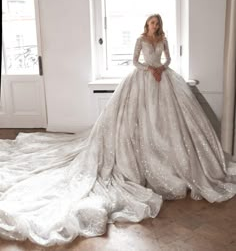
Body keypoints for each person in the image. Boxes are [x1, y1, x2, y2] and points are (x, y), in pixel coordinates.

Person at [0, 14, 236, 247]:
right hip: (142, 78)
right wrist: (148, 69)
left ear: (159, 25)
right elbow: (134, 61)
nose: (154, 26)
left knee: (168, 122)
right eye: (151, 23)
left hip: (162, 79)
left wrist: (161, 69)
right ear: (147, 24)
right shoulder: (141, 39)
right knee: (135, 120)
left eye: (157, 23)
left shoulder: (162, 39)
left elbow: (169, 59)